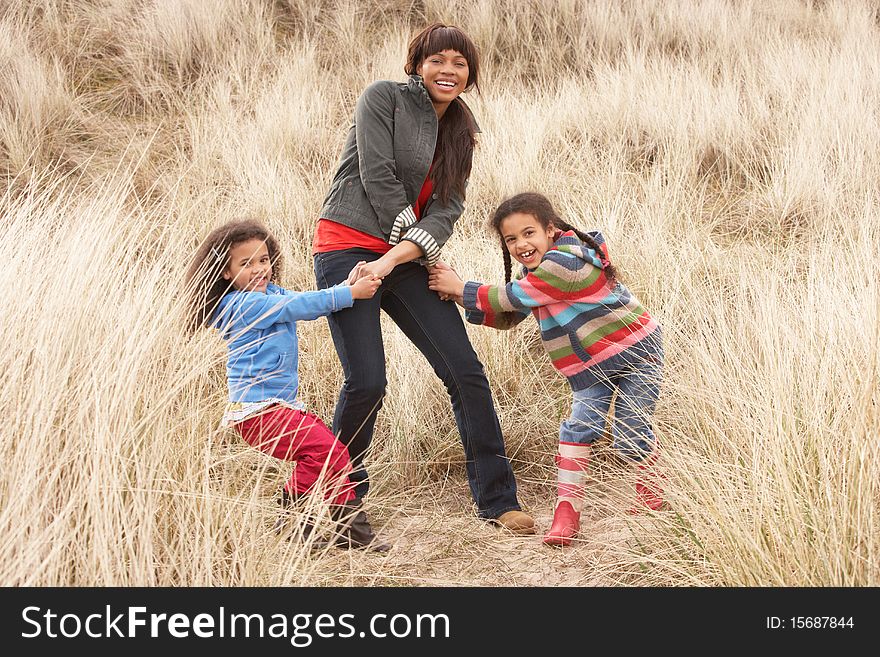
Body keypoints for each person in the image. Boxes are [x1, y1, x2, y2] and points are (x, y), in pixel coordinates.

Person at [312, 23, 534, 534]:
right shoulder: (382, 98)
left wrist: (405, 253)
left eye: (460, 63)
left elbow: (448, 208)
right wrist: (409, 241)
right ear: (417, 64)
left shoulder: (463, 131)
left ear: (470, 73)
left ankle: (498, 501)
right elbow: (377, 174)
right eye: (438, 60)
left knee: (466, 372)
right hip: (347, 245)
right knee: (367, 382)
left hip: (405, 258)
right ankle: (328, 497)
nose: (448, 71)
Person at [428, 192, 665, 547]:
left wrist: (462, 288)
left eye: (528, 233)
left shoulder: (566, 262)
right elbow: (509, 314)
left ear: (551, 230)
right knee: (577, 430)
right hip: (589, 365)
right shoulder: (534, 275)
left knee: (630, 433)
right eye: (511, 239)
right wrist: (461, 295)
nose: (520, 244)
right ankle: (566, 515)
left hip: (634, 353)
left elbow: (515, 296)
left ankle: (652, 494)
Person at [185, 218, 390, 551]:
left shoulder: (267, 294)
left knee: (328, 453)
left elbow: (305, 297)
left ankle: (326, 528)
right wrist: (350, 294)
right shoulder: (242, 305)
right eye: (246, 263)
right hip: (258, 413)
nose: (258, 269)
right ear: (225, 272)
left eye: (263, 260)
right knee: (328, 451)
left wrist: (346, 285)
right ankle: (319, 526)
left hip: (278, 408)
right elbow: (299, 307)